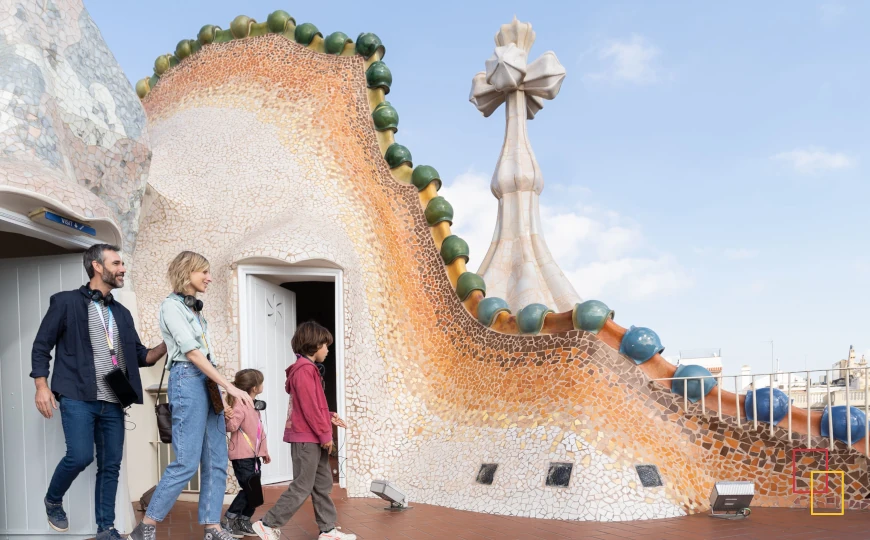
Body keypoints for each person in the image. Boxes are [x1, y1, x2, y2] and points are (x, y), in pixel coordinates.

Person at [30, 244, 168, 540]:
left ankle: (106, 529)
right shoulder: (65, 302)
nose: (123, 269)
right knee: (80, 456)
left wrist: (170, 341)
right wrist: (41, 386)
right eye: (117, 263)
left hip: (114, 402)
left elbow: (142, 356)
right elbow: (42, 346)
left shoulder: (122, 312)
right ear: (96, 266)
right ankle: (53, 499)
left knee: (110, 466)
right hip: (77, 396)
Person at [129, 251, 254, 540]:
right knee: (187, 461)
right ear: (187, 273)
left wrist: (221, 394)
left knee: (217, 459)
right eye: (204, 272)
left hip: (205, 382)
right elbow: (193, 353)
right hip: (187, 379)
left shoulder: (194, 309)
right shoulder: (171, 307)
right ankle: (146, 526)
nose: (209, 278)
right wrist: (230, 387)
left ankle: (212, 528)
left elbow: (205, 355)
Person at [252, 321, 355, 540]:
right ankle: (267, 524)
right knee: (303, 485)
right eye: (325, 345)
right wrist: (326, 435)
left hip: (311, 436)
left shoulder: (307, 370)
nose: (328, 350)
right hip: (308, 439)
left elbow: (309, 407)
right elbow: (309, 408)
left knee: (321, 485)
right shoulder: (304, 371)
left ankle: (327, 530)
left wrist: (328, 417)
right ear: (314, 345)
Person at [224, 369, 271, 537]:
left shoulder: (253, 405)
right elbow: (231, 427)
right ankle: (229, 519)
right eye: (261, 382)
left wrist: (264, 451)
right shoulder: (240, 403)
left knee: (254, 490)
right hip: (242, 456)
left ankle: (243, 520)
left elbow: (259, 431)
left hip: (253, 456)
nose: (263, 385)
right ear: (254, 387)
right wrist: (227, 415)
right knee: (250, 489)